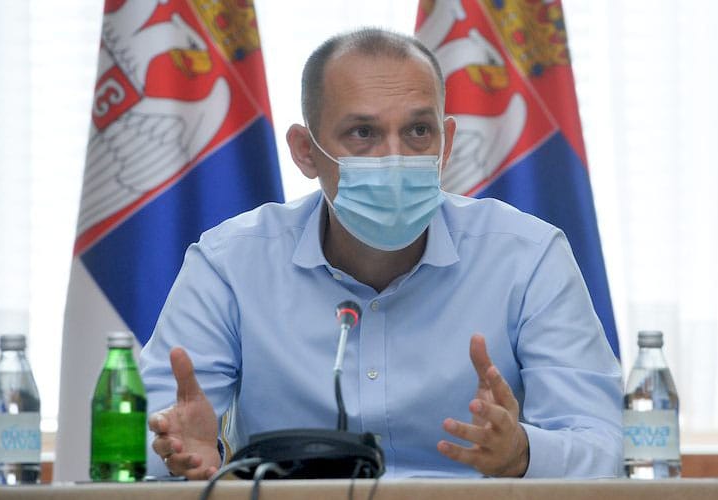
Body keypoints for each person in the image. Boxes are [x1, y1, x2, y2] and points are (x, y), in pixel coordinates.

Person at [140, 27, 622, 480]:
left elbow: (603, 448)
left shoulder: (527, 257)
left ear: (446, 145)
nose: (395, 157)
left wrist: (522, 453)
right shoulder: (230, 263)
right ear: (306, 151)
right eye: (363, 133)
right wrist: (189, 454)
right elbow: (158, 435)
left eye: (418, 131)